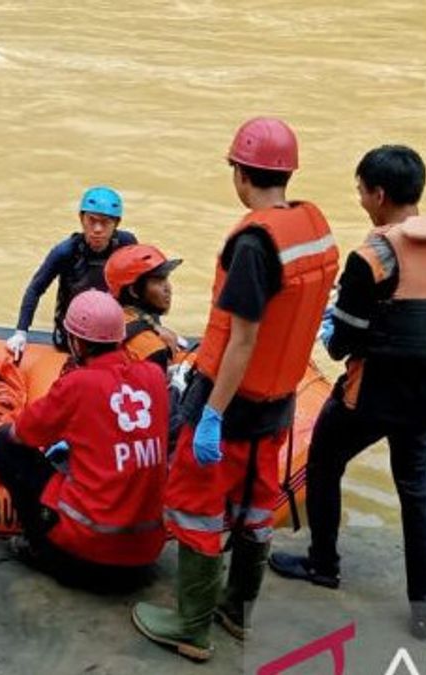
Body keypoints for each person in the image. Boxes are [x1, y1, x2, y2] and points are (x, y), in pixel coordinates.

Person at [131, 117, 339, 662]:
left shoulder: (253, 243)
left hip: (232, 401)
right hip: (279, 403)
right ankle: (236, 611)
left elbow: (242, 340)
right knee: (254, 507)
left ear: (241, 174)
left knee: (200, 511)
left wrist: (211, 415)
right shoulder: (314, 227)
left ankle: (191, 627)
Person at [269, 145, 426, 640]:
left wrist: (330, 324)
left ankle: (323, 563)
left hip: (372, 394)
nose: (361, 198)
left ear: (379, 194)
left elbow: (343, 344)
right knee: (418, 490)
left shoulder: (371, 257)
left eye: (362, 190)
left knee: (324, 459)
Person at [0, 290, 169, 589]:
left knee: (2, 443)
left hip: (85, 558)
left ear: (76, 341)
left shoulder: (78, 384)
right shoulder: (153, 375)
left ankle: (38, 544)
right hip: (146, 555)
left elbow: (22, 434)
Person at [7, 186, 137, 358]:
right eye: (92, 220)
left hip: (110, 328)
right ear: (81, 219)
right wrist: (21, 332)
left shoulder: (127, 243)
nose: (97, 229)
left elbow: (143, 286)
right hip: (73, 333)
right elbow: (35, 289)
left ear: (116, 224)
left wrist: (155, 326)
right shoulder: (65, 251)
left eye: (105, 222)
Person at [104, 243, 186, 371]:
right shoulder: (152, 348)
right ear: (133, 291)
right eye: (158, 280)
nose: (168, 288)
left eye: (166, 279)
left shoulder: (107, 315)